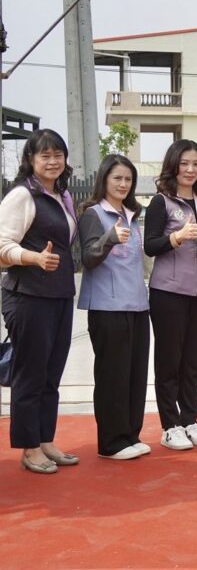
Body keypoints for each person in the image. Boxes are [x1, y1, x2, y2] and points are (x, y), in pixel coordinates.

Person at [0, 130, 79, 474]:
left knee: (51, 374)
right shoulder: (22, 196)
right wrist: (33, 258)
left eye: (58, 154)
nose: (52, 161)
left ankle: (45, 439)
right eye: (44, 155)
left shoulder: (61, 195)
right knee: (30, 374)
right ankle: (29, 447)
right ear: (30, 160)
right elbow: (1, 245)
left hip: (59, 295)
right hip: (28, 297)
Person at [145, 140, 197, 451]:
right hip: (168, 292)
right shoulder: (161, 202)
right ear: (173, 165)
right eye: (185, 163)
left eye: (196, 164)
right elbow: (150, 245)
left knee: (192, 361)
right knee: (169, 361)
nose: (191, 169)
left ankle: (190, 419)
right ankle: (170, 425)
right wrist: (176, 237)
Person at [77, 155, 151, 460]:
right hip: (107, 307)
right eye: (117, 178)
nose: (123, 184)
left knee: (135, 374)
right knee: (112, 376)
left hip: (137, 305)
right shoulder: (93, 214)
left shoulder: (132, 215)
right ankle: (111, 443)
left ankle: (131, 434)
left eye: (128, 179)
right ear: (104, 180)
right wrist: (109, 238)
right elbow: (88, 257)